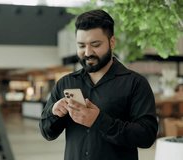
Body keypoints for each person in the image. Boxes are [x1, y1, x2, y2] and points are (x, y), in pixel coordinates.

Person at [39, 9, 158, 160]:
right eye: (81, 46)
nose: (88, 52)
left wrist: (99, 121)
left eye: (95, 44)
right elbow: (46, 132)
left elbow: (147, 136)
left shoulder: (135, 83)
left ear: (112, 42)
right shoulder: (65, 83)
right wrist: (54, 112)